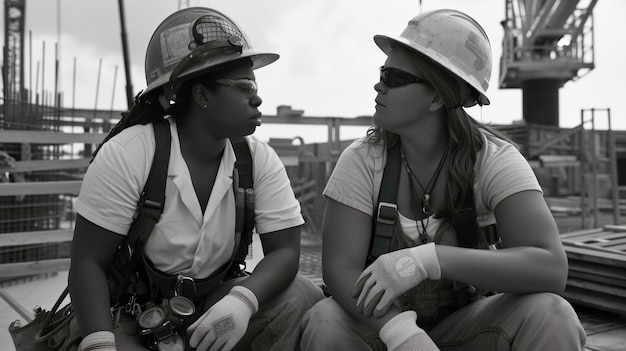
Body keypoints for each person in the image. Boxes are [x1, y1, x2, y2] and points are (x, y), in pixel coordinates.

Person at [301, 9, 586, 351]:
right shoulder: (363, 160)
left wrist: (429, 260)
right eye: (381, 72)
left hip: (465, 326)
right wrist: (402, 334)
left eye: (393, 77)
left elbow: (550, 268)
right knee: (325, 320)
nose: (378, 84)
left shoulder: (493, 160)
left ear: (436, 97)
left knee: (551, 314)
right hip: (378, 327)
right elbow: (339, 269)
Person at [68, 7, 324, 351]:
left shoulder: (256, 159)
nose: (257, 97)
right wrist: (99, 343)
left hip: (214, 305)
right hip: (135, 317)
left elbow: (285, 253)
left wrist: (242, 303)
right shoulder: (131, 153)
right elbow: (88, 263)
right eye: (244, 86)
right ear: (202, 96)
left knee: (301, 295)